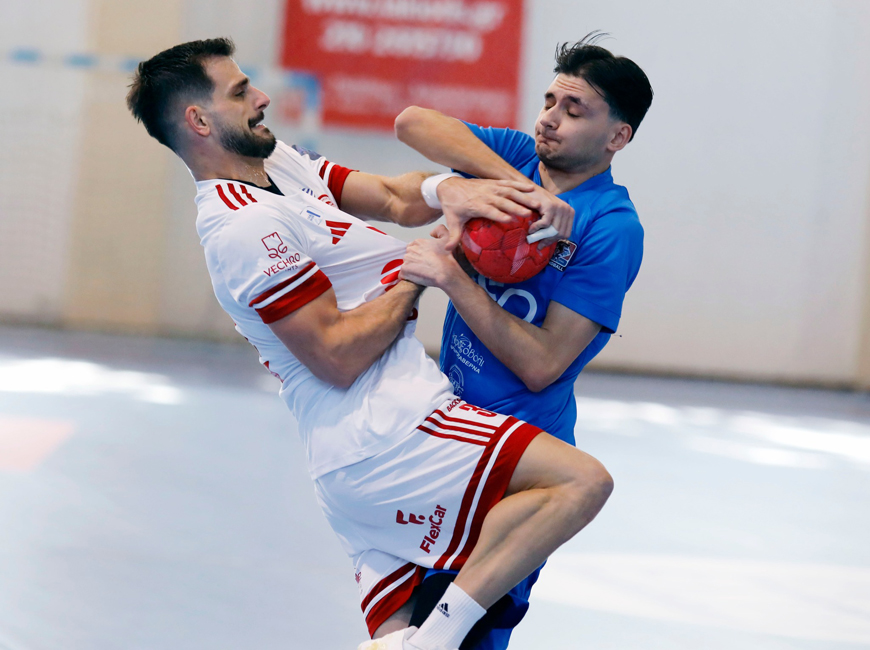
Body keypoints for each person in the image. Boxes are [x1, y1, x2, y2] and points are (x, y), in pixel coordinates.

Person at [126, 38, 614, 650]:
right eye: (240, 91)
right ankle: (435, 640)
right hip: (386, 436)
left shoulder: (277, 163)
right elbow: (337, 356)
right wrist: (421, 272)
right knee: (579, 483)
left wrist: (449, 190)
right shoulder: (242, 228)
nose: (262, 97)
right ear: (199, 121)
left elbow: (390, 196)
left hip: (370, 442)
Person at [395, 35, 653, 649]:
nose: (550, 119)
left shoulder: (612, 227)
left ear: (617, 137)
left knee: (461, 632)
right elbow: (412, 122)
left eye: (574, 110)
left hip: (521, 460)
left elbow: (542, 364)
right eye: (549, 101)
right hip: (445, 431)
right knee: (400, 622)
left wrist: (454, 279)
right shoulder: (516, 158)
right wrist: (520, 188)